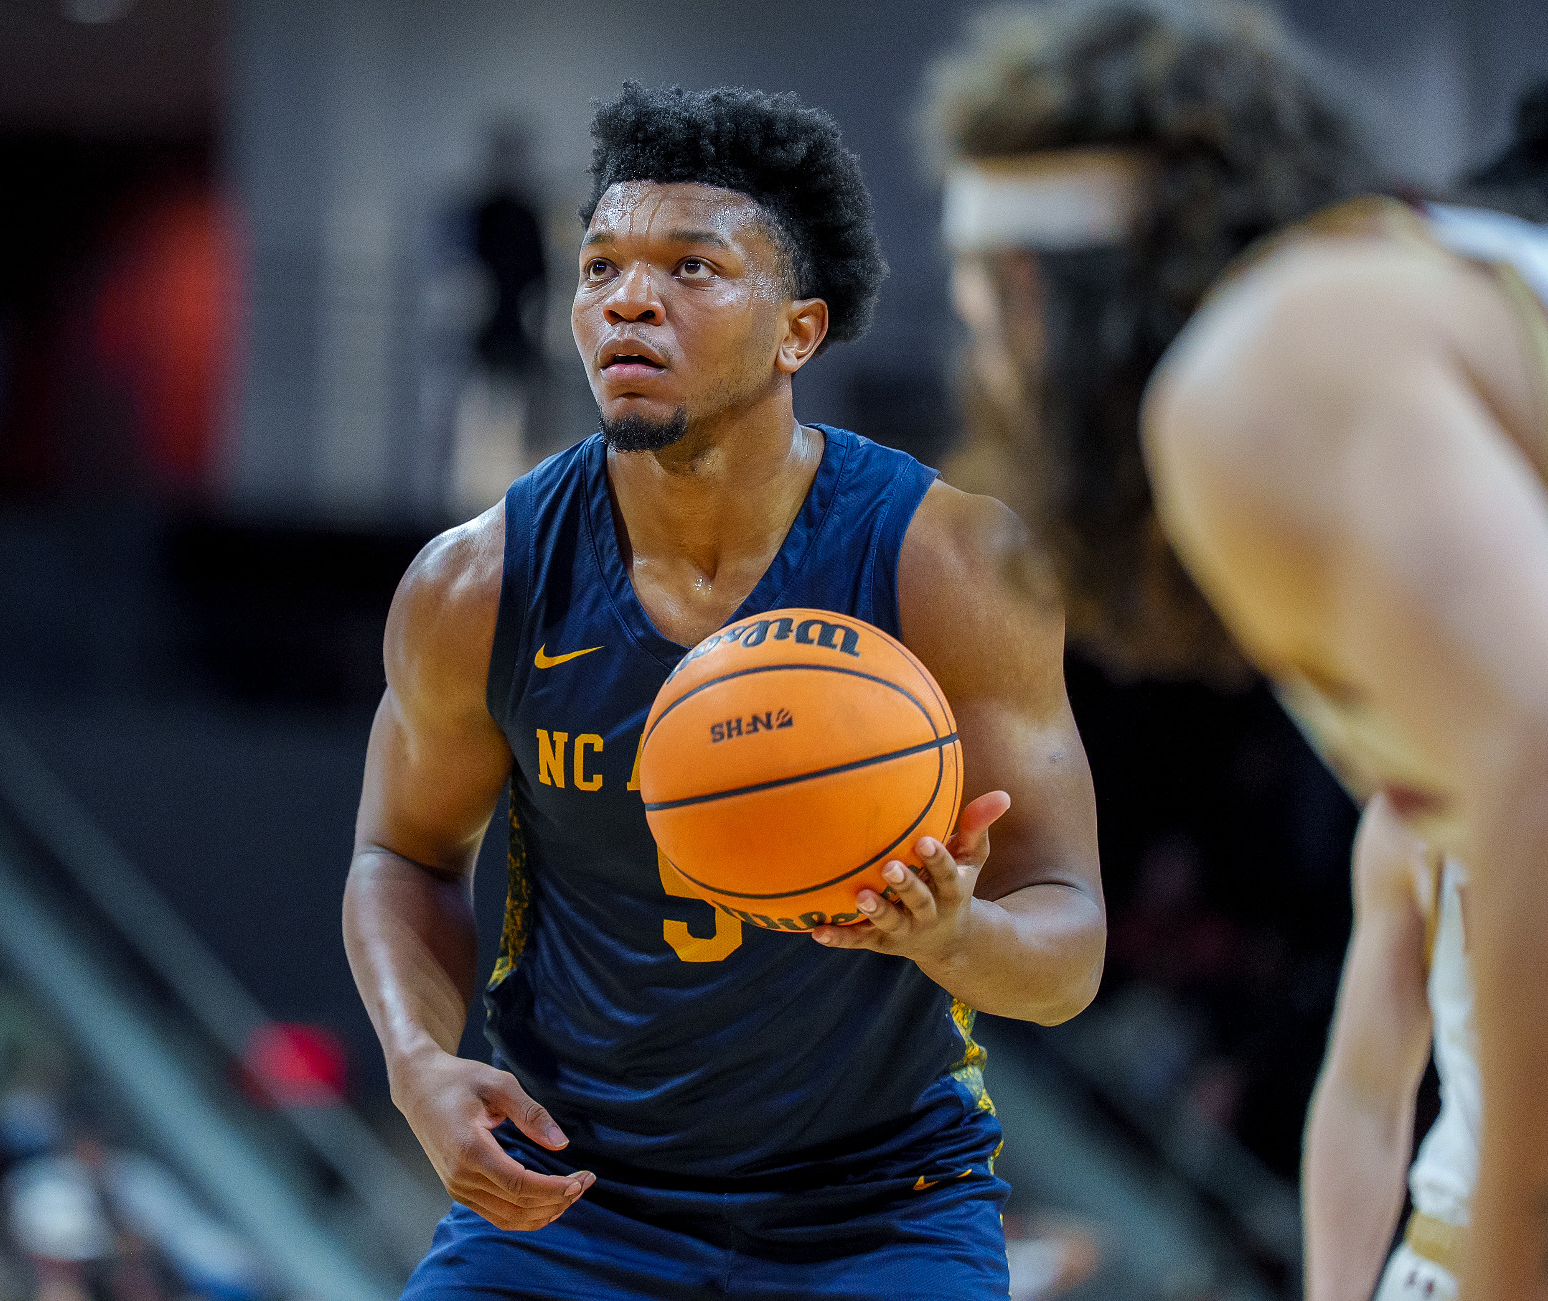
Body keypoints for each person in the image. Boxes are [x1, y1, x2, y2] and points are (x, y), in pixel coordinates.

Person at [343, 81, 1105, 1299]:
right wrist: (413, 1059)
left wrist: (954, 934)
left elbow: (1067, 945)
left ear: (798, 330)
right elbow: (403, 853)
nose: (626, 299)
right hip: (574, 1191)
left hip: (879, 1203)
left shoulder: (950, 563)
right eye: (598, 268)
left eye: (691, 268)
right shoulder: (476, 583)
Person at [929, 4, 1548, 1296]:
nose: (982, 375)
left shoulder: (1261, 371)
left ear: (1030, 296)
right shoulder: (1450, 343)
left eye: (974, 322)